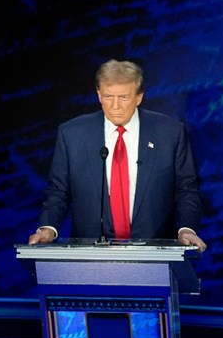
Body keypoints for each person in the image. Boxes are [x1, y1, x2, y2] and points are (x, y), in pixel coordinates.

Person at [28, 59, 207, 251]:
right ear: (98, 95)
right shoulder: (72, 134)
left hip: (155, 251)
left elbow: (186, 189)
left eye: (123, 97)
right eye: (108, 97)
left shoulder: (170, 133)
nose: (115, 106)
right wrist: (48, 227)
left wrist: (186, 229)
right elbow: (59, 191)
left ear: (139, 97)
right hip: (91, 254)